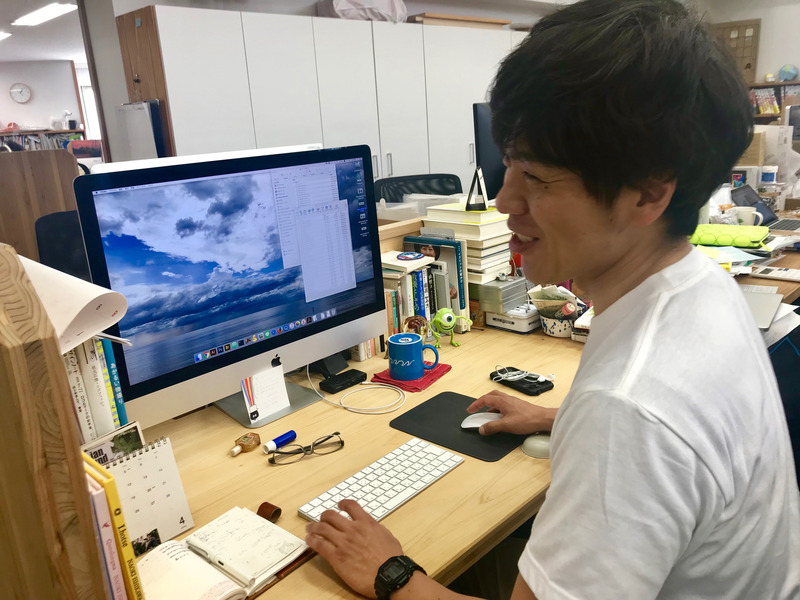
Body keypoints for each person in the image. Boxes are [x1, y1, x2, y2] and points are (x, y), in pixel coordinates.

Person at [304, 1, 800, 598]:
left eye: (536, 178)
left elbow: (638, 420)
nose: (504, 201)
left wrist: (391, 573)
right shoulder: (701, 284)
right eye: (509, 164)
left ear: (648, 195)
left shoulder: (627, 409)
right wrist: (557, 418)